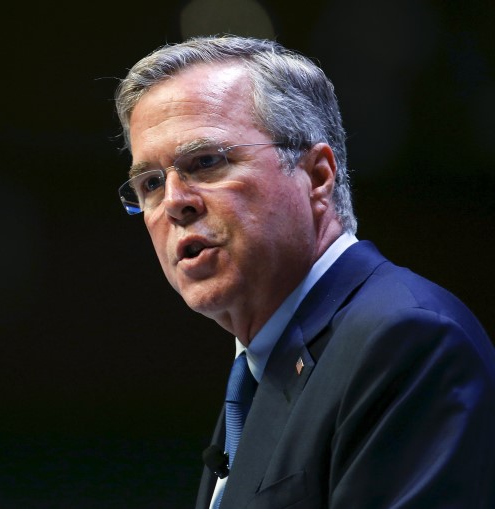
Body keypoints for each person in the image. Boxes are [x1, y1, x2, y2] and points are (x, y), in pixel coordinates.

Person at [114, 35, 495, 508]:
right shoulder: (262, 366)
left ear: (317, 176)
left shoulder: (407, 340)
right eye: (150, 183)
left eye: (206, 162)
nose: (174, 202)